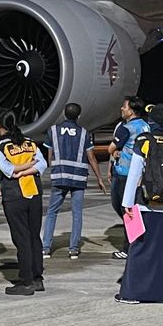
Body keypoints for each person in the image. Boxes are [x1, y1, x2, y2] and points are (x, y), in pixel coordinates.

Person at [116, 104, 163, 303]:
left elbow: (134, 174)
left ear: (152, 122)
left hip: (146, 205)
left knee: (140, 250)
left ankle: (132, 293)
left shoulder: (144, 141)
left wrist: (127, 203)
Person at [0, 110, 48, 295]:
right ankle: (37, 278)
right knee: (34, 236)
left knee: (21, 238)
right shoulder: (29, 142)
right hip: (34, 192)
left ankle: (26, 281)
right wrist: (29, 168)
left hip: (15, 195)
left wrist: (20, 171)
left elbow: (8, 170)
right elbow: (42, 164)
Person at [43, 102, 105, 261]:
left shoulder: (53, 131)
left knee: (52, 212)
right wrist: (99, 177)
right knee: (77, 214)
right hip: (78, 178)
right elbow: (91, 157)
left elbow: (49, 155)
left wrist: (53, 169)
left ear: (64, 114)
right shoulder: (84, 133)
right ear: (79, 116)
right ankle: (73, 249)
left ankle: (46, 248)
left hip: (59, 176)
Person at [107, 96, 149, 260]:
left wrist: (116, 152)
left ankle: (129, 246)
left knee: (123, 209)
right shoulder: (145, 125)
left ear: (131, 111)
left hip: (124, 174)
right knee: (131, 208)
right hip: (139, 173)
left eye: (124, 107)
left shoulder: (126, 128)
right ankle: (136, 240)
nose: (122, 109)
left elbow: (111, 148)